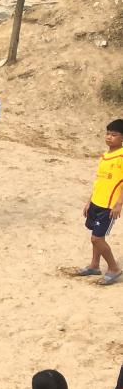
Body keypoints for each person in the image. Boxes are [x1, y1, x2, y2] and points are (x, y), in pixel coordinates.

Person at [73, 119, 123, 286]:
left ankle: (114, 268)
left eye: (114, 135)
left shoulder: (121, 157)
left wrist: (119, 204)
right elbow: (99, 181)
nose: (109, 137)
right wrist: (89, 201)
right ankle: (94, 265)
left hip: (109, 207)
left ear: (122, 138)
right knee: (95, 234)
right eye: (108, 134)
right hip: (96, 202)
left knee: (97, 239)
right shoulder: (104, 156)